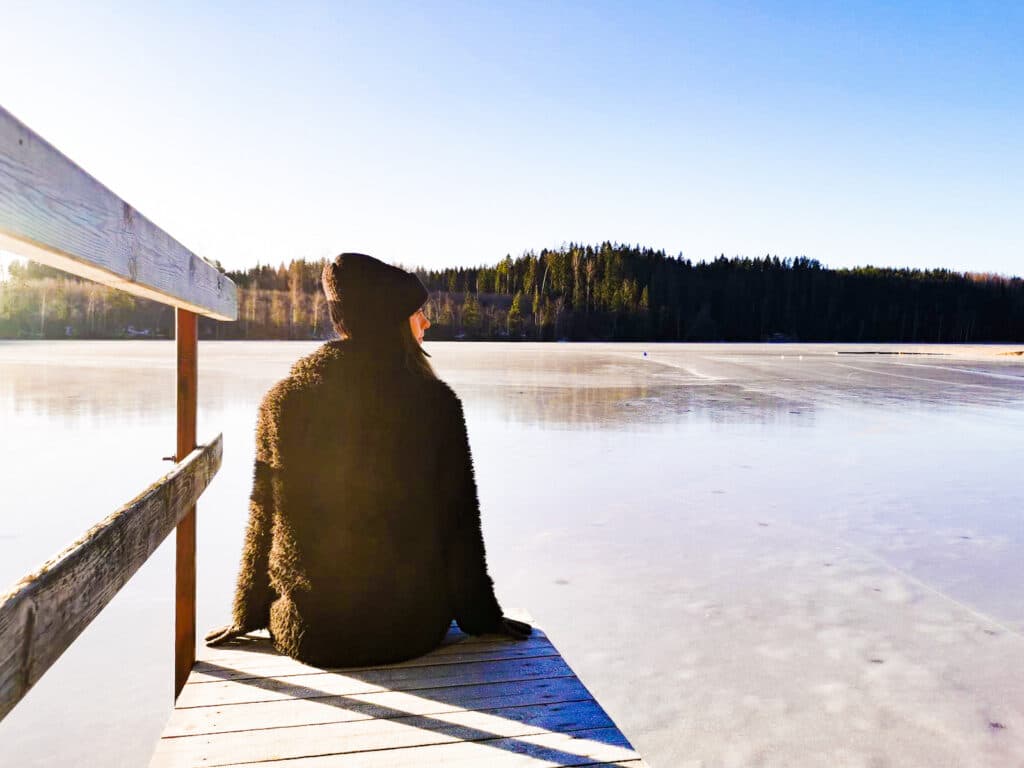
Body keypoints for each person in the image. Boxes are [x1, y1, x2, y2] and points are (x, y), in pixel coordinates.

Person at [205, 253, 530, 666]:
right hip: (410, 627)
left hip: (313, 633)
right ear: (389, 319)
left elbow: (264, 515)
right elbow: (458, 522)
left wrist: (246, 616)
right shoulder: (434, 404)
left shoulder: (283, 401)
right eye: (417, 314)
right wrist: (482, 617)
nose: (426, 323)